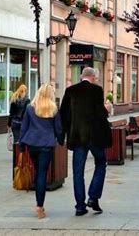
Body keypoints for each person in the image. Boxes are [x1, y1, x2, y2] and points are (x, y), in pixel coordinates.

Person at [60, 67, 112, 216]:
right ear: (93, 77)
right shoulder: (97, 90)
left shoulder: (70, 91)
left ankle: (80, 206)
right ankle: (93, 197)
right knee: (101, 163)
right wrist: (107, 108)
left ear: (81, 76)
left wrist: (62, 136)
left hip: (77, 138)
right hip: (95, 137)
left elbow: (63, 115)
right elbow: (100, 114)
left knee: (78, 172)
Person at [19, 84, 63, 219]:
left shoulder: (30, 108)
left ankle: (39, 204)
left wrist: (21, 144)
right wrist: (61, 140)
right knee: (42, 173)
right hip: (46, 145)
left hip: (32, 144)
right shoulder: (53, 109)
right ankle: (39, 206)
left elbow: (24, 127)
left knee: (38, 171)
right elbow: (58, 128)